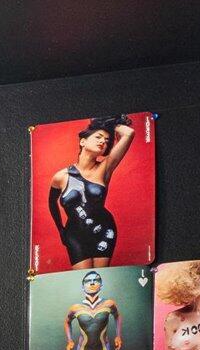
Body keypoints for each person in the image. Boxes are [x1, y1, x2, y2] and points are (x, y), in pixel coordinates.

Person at [46, 115, 137, 268]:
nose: (103, 141)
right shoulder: (61, 176)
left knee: (100, 280)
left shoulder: (105, 168)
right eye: (98, 137)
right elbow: (51, 203)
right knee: (83, 282)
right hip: (75, 234)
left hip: (104, 229)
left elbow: (129, 133)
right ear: (83, 141)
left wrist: (109, 124)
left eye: (107, 140)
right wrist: (61, 229)